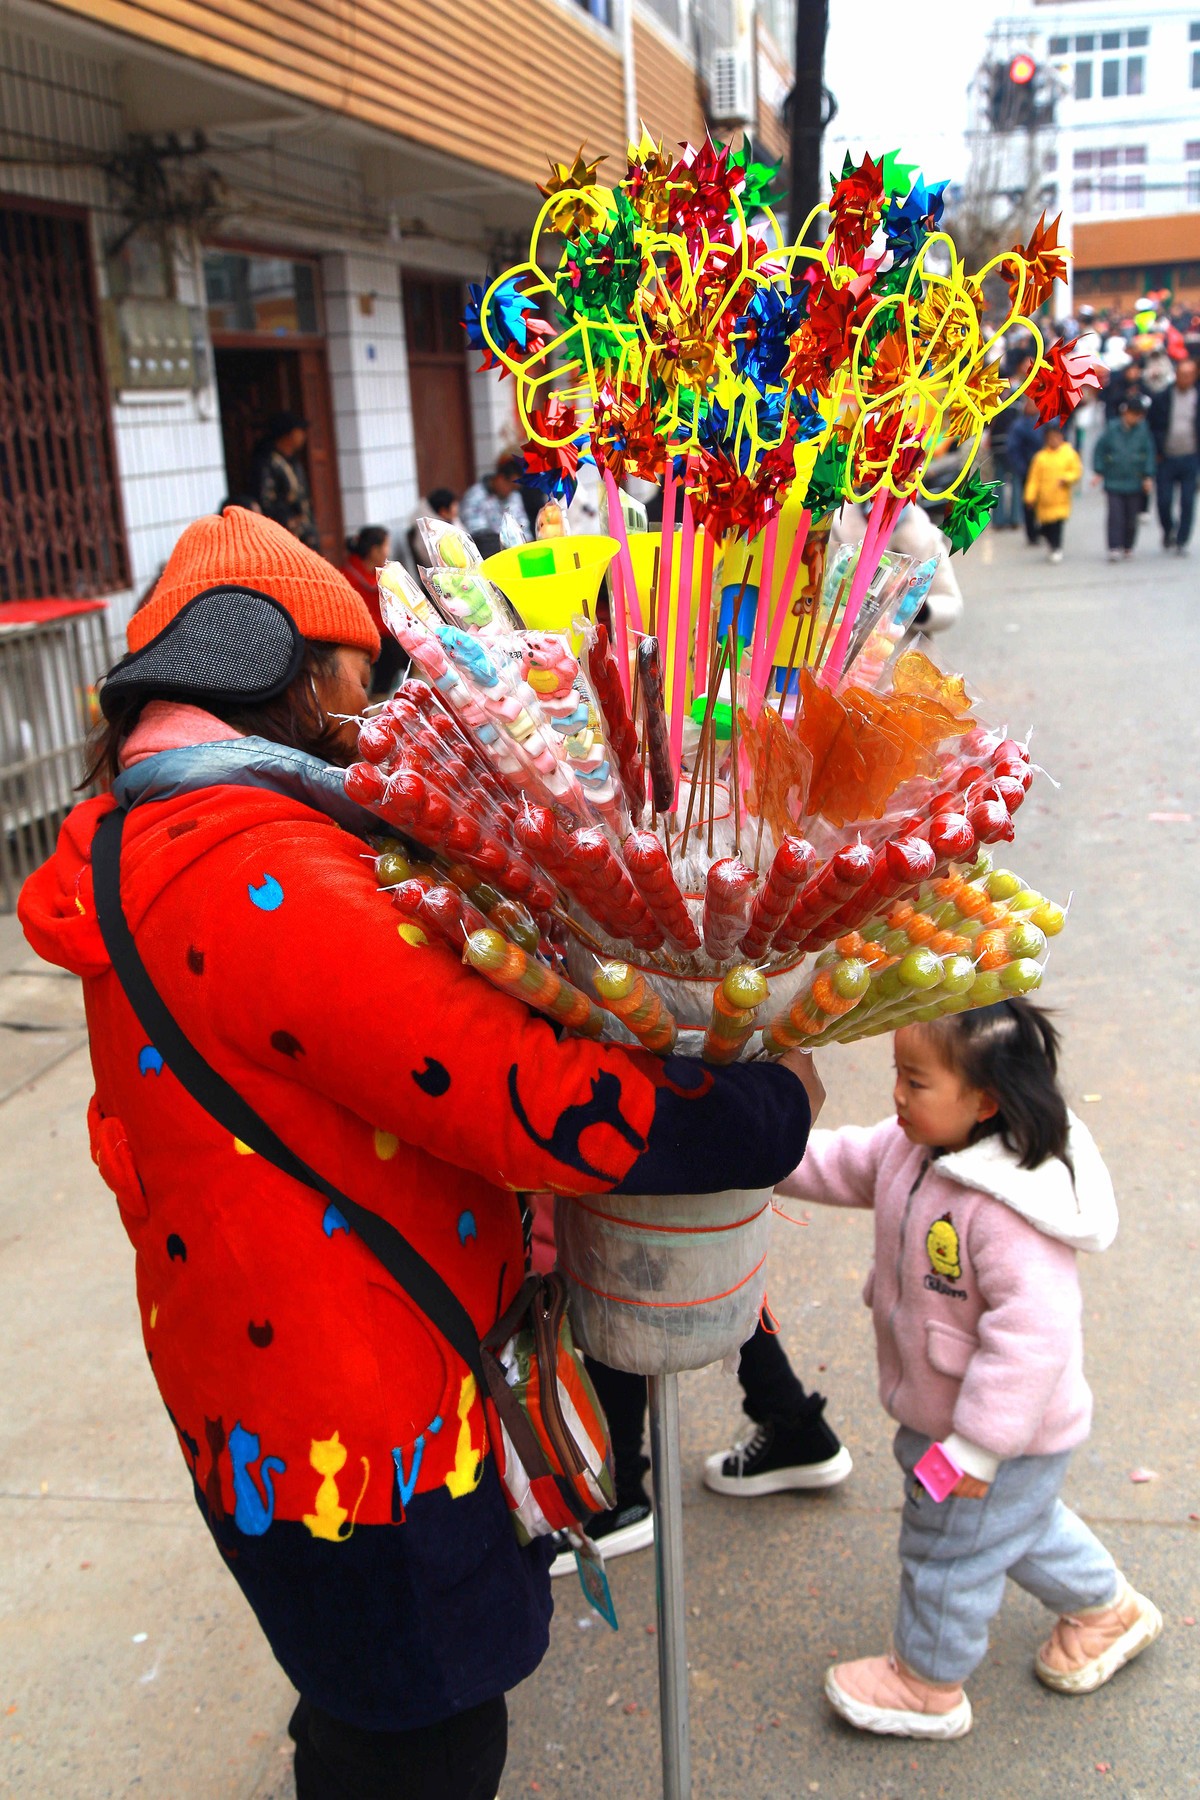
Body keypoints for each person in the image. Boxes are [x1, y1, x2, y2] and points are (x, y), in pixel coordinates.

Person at [18, 503, 823, 1800]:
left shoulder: (140, 832)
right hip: (355, 1419)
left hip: (255, 1383)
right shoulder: (246, 865)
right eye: (352, 671)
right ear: (271, 669)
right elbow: (494, 1080)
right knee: (426, 1738)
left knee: (360, 1715)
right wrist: (749, 1107)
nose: (368, 699)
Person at [774, 1002, 1161, 1741]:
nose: (896, 1096)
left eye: (915, 1082)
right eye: (897, 1075)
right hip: (951, 1420)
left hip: (988, 1439)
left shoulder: (1010, 1212)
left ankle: (926, 1682)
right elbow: (843, 1161)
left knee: (946, 1547)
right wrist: (762, 1153)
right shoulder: (912, 1147)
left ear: (985, 1100)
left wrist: (978, 1449)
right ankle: (1108, 1611)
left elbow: (1032, 1341)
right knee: (1018, 1527)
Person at [341, 526, 404, 695]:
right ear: (374, 551)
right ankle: (379, 695)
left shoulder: (375, 574)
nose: (387, 552)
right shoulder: (350, 576)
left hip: (378, 631)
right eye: (386, 546)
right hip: (362, 635)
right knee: (393, 647)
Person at [1093, 398, 1156, 561]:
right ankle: (1113, 546)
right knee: (1115, 515)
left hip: (1134, 480)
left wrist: (1148, 475)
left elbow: (1149, 453)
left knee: (1131, 517)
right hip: (1114, 479)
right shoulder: (1112, 429)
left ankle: (1128, 545)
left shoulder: (1143, 431)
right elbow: (1100, 449)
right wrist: (1099, 470)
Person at [1148, 357, 1198, 554]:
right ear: (1176, 375)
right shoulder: (1163, 398)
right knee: (1163, 500)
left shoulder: (1197, 397)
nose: (1185, 379)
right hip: (1166, 457)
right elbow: (1152, 427)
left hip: (1190, 457)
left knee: (1187, 501)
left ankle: (1182, 539)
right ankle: (1168, 529)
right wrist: (1156, 451)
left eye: (1190, 375)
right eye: (1182, 374)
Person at [252, 411, 317, 543]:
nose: (303, 436)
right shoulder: (268, 462)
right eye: (300, 431)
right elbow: (266, 501)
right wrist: (287, 520)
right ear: (289, 434)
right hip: (284, 533)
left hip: (304, 529)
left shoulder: (292, 461)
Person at [1022, 425, 1082, 564]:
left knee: (1057, 526)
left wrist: (1067, 478)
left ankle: (1057, 547)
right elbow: (1034, 479)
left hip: (1060, 499)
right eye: (1050, 438)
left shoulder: (1069, 454)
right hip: (1044, 500)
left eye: (1056, 437)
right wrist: (1030, 497)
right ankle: (1051, 544)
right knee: (1047, 527)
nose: (1054, 440)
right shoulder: (1040, 458)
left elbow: (1076, 471)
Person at [459, 454, 530, 555]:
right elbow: (478, 534)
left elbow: (524, 527)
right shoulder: (475, 496)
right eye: (510, 486)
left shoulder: (514, 496)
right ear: (500, 478)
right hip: (487, 553)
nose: (511, 491)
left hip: (516, 552)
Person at [1005, 402, 1046, 547]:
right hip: (1028, 469)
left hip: (1045, 470)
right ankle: (1032, 533)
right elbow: (1013, 449)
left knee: (1046, 500)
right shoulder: (1019, 426)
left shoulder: (1047, 421)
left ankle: (1045, 529)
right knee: (1029, 502)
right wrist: (1021, 468)